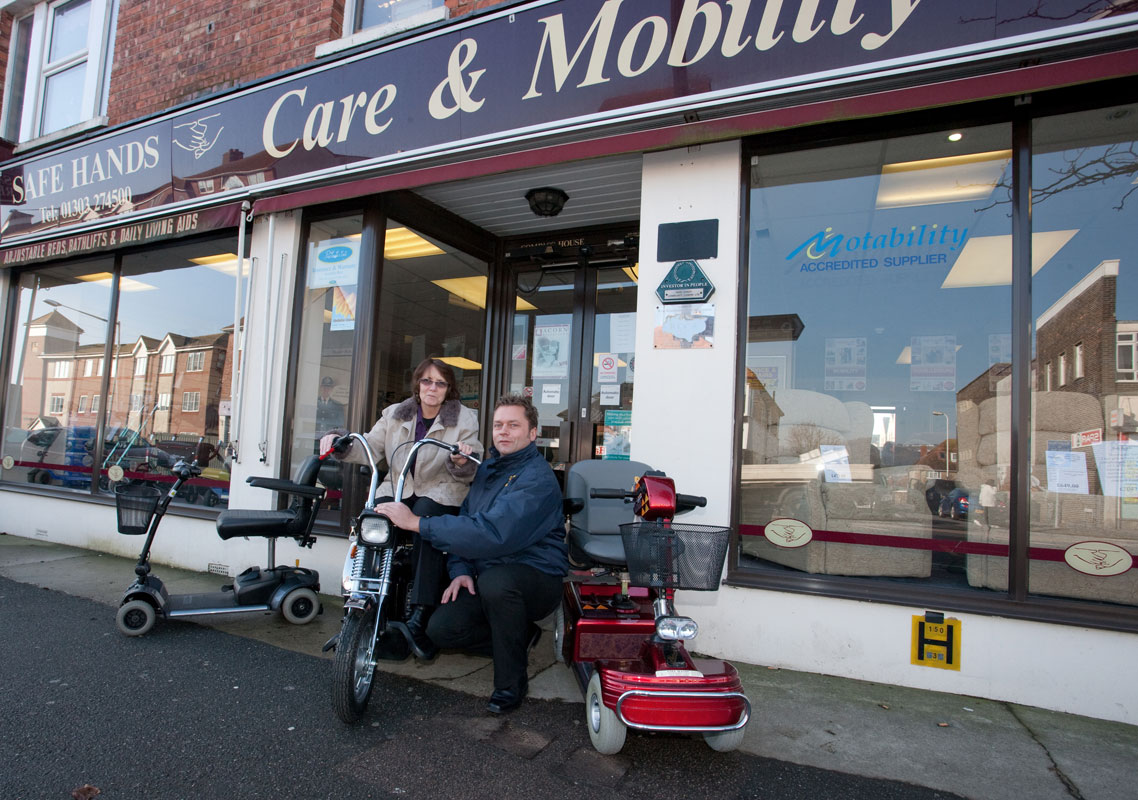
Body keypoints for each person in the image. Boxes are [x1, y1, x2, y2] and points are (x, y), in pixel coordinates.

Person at [377, 394, 568, 715]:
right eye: (498, 425)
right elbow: (468, 518)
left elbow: (492, 533)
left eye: (513, 425)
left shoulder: (536, 478)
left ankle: (510, 686)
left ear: (532, 433)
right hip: (489, 573)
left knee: (497, 583)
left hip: (536, 576)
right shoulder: (489, 469)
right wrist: (461, 570)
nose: (503, 431)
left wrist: (417, 523)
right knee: (441, 629)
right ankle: (518, 636)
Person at [320, 358, 481, 660]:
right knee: (372, 521)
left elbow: (473, 457)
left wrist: (462, 458)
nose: (432, 388)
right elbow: (369, 446)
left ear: (449, 389)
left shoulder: (465, 418)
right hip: (399, 488)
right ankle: (362, 597)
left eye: (440, 383)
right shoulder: (395, 413)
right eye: (427, 381)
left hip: (441, 489)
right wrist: (341, 442)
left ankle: (420, 613)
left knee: (425, 519)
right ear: (417, 384)